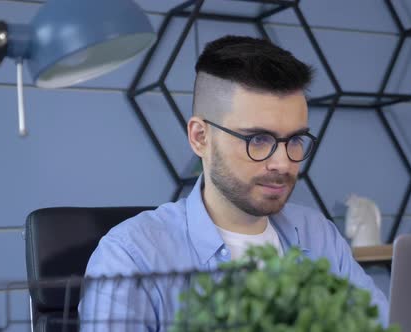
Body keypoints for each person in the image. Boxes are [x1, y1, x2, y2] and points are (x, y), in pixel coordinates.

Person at [78, 35, 389, 331]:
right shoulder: (131, 258)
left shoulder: (318, 236)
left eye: (295, 139)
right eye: (258, 139)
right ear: (201, 138)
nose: (283, 162)